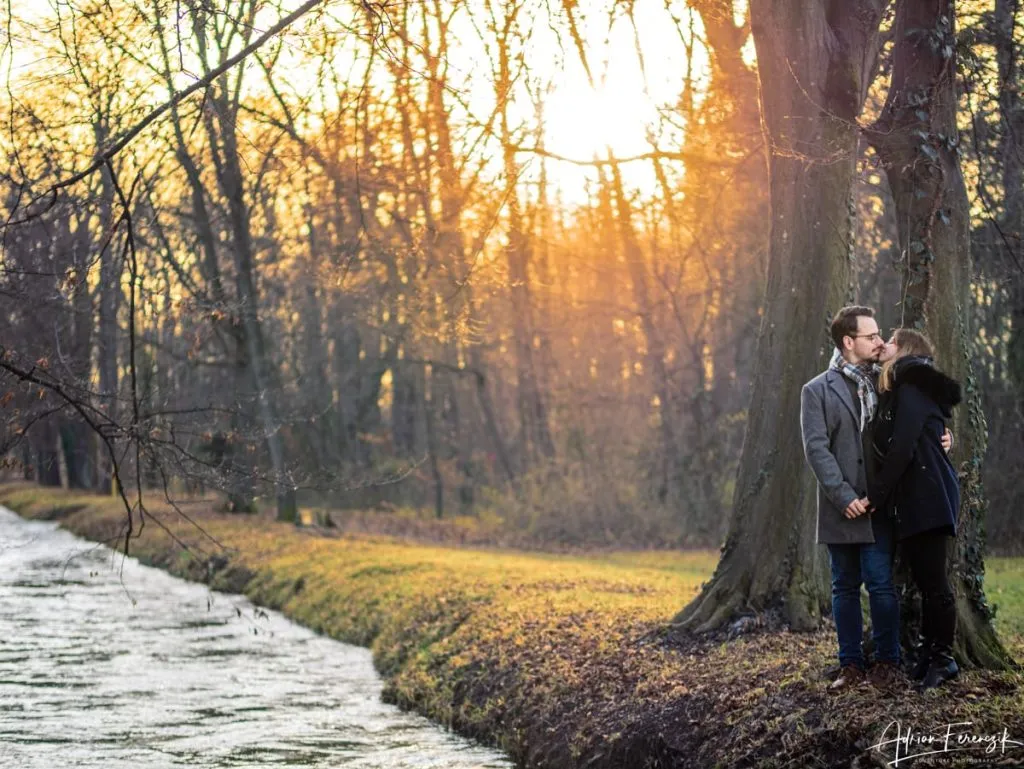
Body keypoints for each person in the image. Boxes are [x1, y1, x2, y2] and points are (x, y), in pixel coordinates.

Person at [801, 306, 901, 691]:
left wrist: (947, 437)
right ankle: (851, 667)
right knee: (844, 586)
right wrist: (844, 496)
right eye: (871, 336)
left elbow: (919, 420)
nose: (879, 341)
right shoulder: (815, 391)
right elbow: (816, 448)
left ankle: (888, 665)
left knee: (881, 585)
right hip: (840, 508)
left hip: (880, 505)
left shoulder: (889, 382)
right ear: (848, 342)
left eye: (879, 334)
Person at [868, 329, 961, 691]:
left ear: (905, 348)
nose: (884, 345)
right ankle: (928, 652)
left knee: (935, 583)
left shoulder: (913, 386)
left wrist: (875, 494)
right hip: (917, 497)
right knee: (924, 581)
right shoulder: (902, 388)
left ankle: (944, 658)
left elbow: (903, 448)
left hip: (929, 496)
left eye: (890, 340)